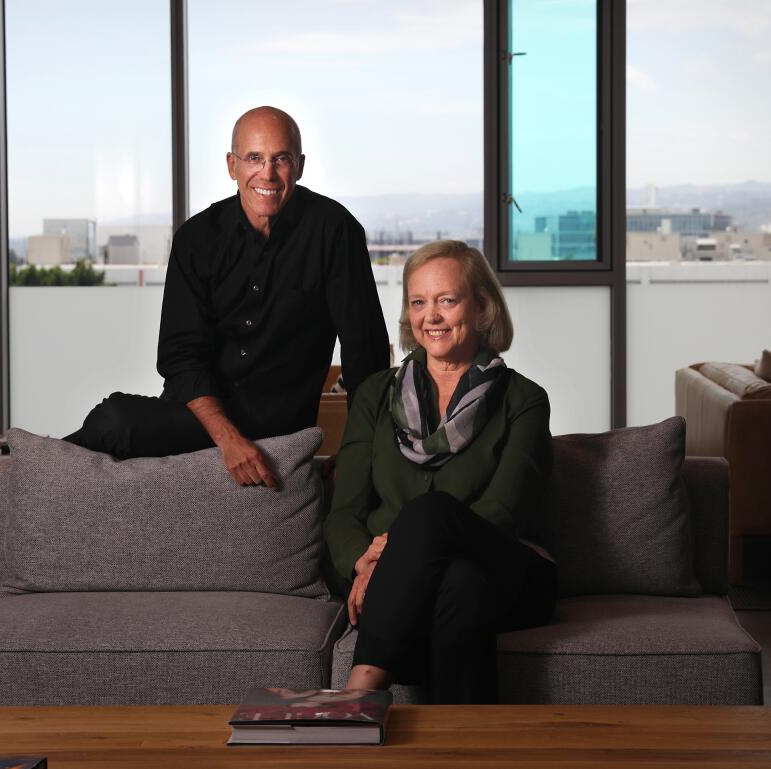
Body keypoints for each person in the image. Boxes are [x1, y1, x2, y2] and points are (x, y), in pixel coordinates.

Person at [64, 107, 389, 486]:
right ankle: (29, 469)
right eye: (254, 158)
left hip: (278, 422)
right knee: (113, 419)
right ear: (231, 165)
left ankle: (30, 464)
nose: (266, 174)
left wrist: (357, 453)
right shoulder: (196, 238)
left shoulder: (336, 231)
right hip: (202, 414)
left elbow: (366, 355)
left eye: (280, 159)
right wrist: (228, 440)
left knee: (115, 420)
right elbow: (180, 358)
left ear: (299, 166)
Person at [323, 240, 557, 704]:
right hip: (452, 584)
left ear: (482, 306)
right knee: (459, 585)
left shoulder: (524, 400)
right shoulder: (374, 396)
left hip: (507, 569)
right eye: (418, 302)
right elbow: (343, 513)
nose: (431, 316)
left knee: (430, 515)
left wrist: (398, 557)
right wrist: (364, 562)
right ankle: (465, 752)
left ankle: (358, 695)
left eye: (447, 300)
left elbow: (501, 513)